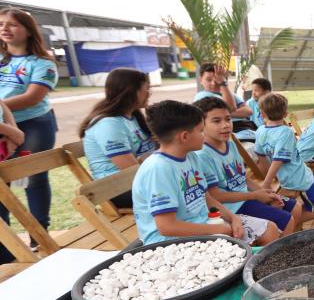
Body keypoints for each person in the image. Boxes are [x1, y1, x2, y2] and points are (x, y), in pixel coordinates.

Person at [132, 100, 266, 246]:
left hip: (201, 223)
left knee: (268, 230)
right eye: (201, 130)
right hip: (167, 243)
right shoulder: (158, 169)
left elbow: (206, 197)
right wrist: (217, 228)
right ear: (184, 137)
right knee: (244, 246)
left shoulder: (190, 156)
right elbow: (167, 227)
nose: (204, 135)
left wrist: (233, 218)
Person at [194, 97, 303, 239]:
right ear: (201, 124)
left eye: (228, 119)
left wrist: (265, 193)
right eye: (216, 121)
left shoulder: (230, 144)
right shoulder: (203, 154)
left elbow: (242, 178)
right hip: (233, 207)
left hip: (246, 197)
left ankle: (285, 244)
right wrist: (256, 196)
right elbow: (215, 196)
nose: (226, 125)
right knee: (286, 220)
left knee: (296, 207)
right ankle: (280, 254)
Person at [0, 7, 60, 239]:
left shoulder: (43, 62)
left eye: (12, 24)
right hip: (2, 127)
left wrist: (1, 107)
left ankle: (39, 234)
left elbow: (32, 97)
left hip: (33, 125)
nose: (5, 28)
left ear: (28, 30)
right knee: (2, 182)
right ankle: (6, 243)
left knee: (32, 178)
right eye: (2, 23)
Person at [80, 69, 157, 208]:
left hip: (137, 181)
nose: (149, 93)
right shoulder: (109, 124)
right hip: (117, 189)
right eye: (147, 88)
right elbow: (130, 168)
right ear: (132, 91)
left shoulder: (133, 117)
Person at [255, 93, 314, 221]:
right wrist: (267, 184)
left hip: (303, 173)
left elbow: (261, 157)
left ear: (262, 114)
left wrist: (270, 178)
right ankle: (291, 221)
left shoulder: (260, 131)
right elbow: (277, 161)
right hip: (299, 179)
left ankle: (293, 214)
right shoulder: (286, 132)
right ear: (285, 114)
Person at [193, 64, 256, 133]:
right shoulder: (202, 96)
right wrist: (222, 84)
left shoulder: (230, 94)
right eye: (208, 80)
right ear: (201, 80)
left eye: (217, 79)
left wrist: (223, 113)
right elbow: (231, 107)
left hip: (246, 127)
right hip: (229, 131)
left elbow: (248, 111)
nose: (213, 83)